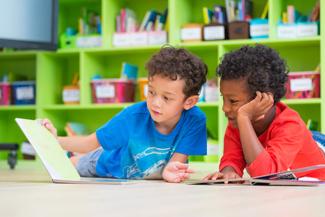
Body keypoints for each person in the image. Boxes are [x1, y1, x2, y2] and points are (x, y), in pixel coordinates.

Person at [42, 46, 208, 183]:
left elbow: (174, 164)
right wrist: (54, 141)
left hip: (142, 174)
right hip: (107, 164)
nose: (155, 102)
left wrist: (170, 170)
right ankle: (73, 157)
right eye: (151, 92)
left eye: (166, 98)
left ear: (189, 102)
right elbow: (88, 143)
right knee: (72, 165)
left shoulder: (195, 120)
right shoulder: (132, 116)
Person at [204, 44, 325, 181]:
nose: (225, 108)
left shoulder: (290, 125)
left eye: (233, 101)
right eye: (223, 99)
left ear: (263, 100)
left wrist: (244, 117)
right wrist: (228, 171)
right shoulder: (237, 123)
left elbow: (265, 174)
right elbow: (232, 158)